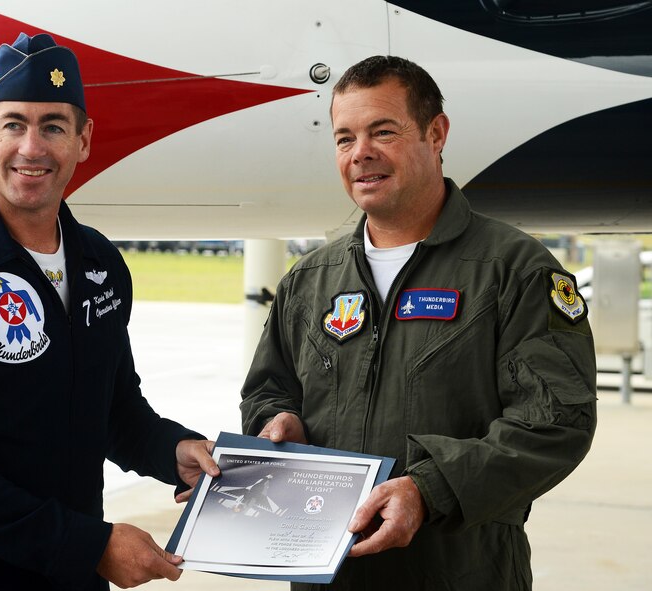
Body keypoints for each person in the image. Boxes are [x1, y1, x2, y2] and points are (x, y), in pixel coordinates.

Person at [0, 33, 219, 591]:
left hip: (70, 576)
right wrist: (89, 545)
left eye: (53, 126)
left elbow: (113, 409)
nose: (32, 147)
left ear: (83, 140)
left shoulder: (98, 260)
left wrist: (174, 451)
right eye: (13, 125)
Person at [240, 55, 596, 590]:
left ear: (436, 133)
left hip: (461, 575)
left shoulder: (514, 271)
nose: (361, 153)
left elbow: (555, 423)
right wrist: (277, 421)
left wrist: (428, 490)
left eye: (383, 131)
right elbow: (268, 390)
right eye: (344, 138)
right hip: (325, 573)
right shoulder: (309, 280)